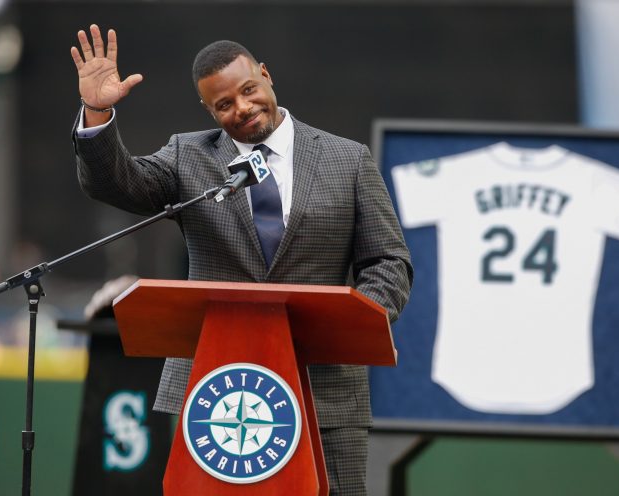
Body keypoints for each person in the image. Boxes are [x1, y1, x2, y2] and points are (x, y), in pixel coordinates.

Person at [70, 24, 412, 495]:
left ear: (266, 76)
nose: (243, 109)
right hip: (219, 397)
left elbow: (390, 262)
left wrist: (348, 323)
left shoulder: (347, 160)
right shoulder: (188, 157)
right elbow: (117, 183)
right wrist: (97, 111)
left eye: (249, 91)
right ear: (209, 110)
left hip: (325, 392)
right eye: (224, 105)